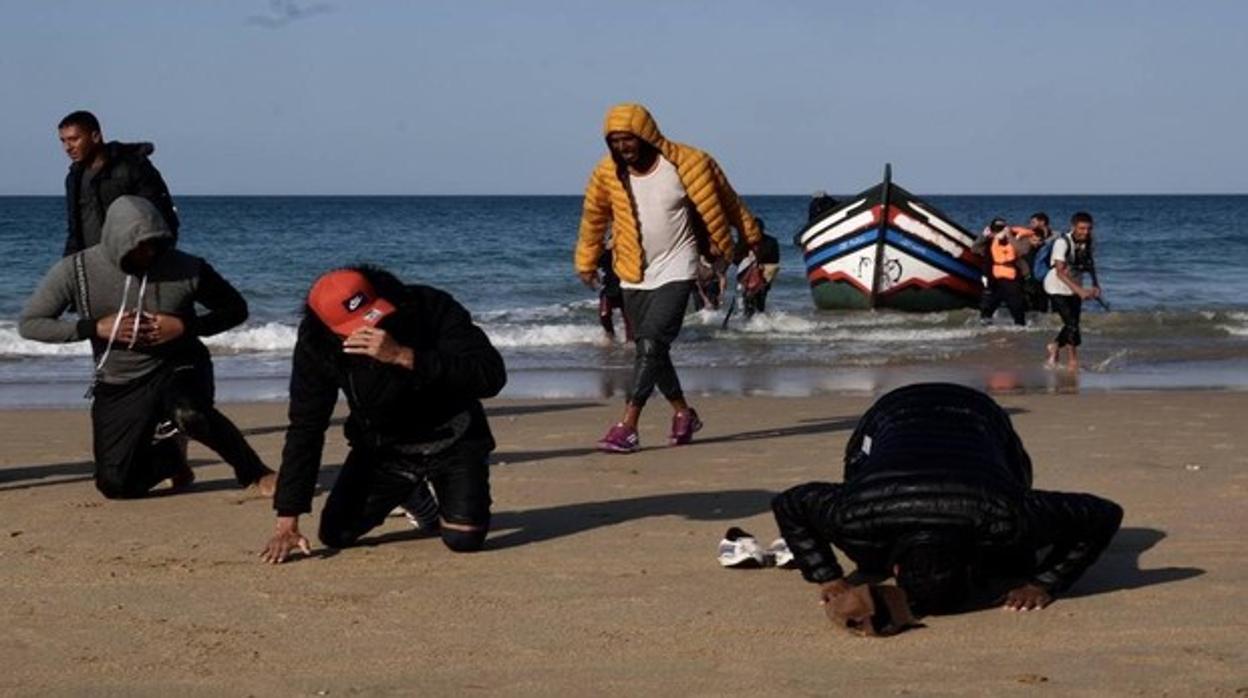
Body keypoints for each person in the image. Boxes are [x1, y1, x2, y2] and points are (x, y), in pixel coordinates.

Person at [772, 383, 1123, 618]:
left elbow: (1104, 514)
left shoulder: (1008, 515)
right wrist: (826, 576)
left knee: (1014, 554)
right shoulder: (853, 512)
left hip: (978, 416)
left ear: (897, 571)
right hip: (890, 416)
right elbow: (790, 503)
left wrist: (1046, 582)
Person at [19, 196, 275, 499]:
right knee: (115, 485)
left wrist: (185, 327)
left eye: (156, 243)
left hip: (179, 364)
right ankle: (172, 459)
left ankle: (255, 472)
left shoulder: (187, 267)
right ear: (117, 240)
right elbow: (31, 323)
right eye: (141, 244)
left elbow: (236, 309)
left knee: (190, 413)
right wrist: (95, 328)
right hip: (120, 380)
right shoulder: (75, 271)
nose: (150, 251)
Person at [260, 267, 506, 563]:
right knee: (335, 535)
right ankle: (412, 494)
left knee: (463, 539)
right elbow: (306, 426)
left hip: (454, 436)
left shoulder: (430, 305)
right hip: (385, 449)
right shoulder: (316, 344)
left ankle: (436, 487)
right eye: (356, 325)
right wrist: (288, 518)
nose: (372, 327)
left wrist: (404, 356)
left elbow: (491, 376)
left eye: (373, 313)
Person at [574, 103, 762, 453]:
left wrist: (750, 235)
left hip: (679, 265)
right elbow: (593, 218)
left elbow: (728, 200)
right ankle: (683, 413)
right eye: (614, 141)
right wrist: (586, 261)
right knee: (651, 348)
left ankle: (627, 425)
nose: (622, 147)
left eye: (627, 139)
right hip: (632, 270)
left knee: (651, 344)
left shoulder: (690, 163)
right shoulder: (607, 173)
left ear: (646, 134)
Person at [57, 110, 180, 256]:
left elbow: (161, 218)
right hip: (93, 264)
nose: (67, 147)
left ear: (95, 137)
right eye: (63, 141)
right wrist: (71, 263)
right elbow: (75, 230)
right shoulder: (74, 178)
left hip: (132, 263)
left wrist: (152, 260)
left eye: (74, 139)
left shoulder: (133, 167)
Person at [1044, 211, 1102, 370]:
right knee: (1071, 324)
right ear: (1073, 227)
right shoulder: (1062, 243)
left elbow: (1090, 264)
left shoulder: (1090, 241)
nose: (1086, 232)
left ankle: (1055, 346)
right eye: (1082, 228)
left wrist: (1096, 285)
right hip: (1055, 287)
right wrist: (1080, 291)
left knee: (1074, 323)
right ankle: (1073, 361)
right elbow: (1059, 272)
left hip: (1075, 286)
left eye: (1089, 229)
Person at [973, 217, 1036, 326]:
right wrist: (983, 236)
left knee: (1017, 309)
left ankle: (1021, 331)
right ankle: (986, 332)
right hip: (994, 280)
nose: (998, 232)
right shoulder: (989, 241)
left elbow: (1022, 250)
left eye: (1000, 229)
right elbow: (975, 249)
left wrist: (1010, 236)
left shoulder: (1018, 238)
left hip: (1012, 280)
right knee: (987, 309)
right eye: (995, 230)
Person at [736, 217, 782, 318]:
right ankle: (748, 320)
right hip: (747, 276)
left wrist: (760, 264)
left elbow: (775, 260)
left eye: (757, 229)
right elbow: (735, 258)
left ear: (762, 229)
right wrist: (747, 260)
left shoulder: (771, 242)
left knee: (760, 301)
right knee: (747, 300)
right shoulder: (744, 241)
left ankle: (759, 322)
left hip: (764, 276)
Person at [597, 244, 632, 341]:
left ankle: (630, 343)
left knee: (629, 319)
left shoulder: (628, 246)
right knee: (604, 314)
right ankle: (610, 337)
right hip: (609, 286)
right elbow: (596, 262)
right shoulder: (605, 248)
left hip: (627, 285)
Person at [1023, 212, 1054, 313]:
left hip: (1043, 278)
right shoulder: (1028, 237)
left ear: (1042, 222)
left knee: (1042, 303)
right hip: (1029, 278)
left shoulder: (1053, 238)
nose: (1030, 224)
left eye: (1033, 222)